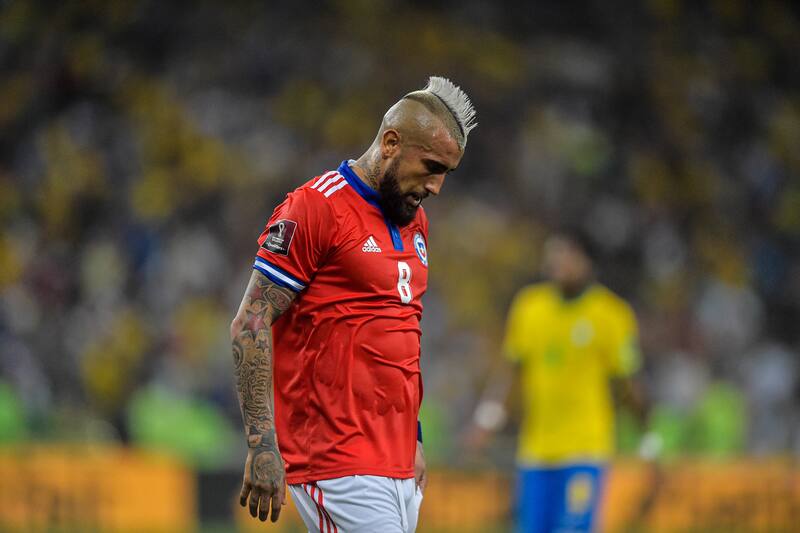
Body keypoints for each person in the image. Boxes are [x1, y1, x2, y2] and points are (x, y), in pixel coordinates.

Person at [230, 77, 477, 532]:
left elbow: (398, 334)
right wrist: (262, 443)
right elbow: (251, 321)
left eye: (447, 173)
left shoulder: (414, 220)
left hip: (397, 461)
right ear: (390, 142)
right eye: (431, 166)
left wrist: (413, 436)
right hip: (337, 459)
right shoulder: (314, 208)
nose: (437, 186)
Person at [467, 229, 644, 533]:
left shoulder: (612, 314)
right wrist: (487, 420)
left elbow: (625, 382)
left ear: (587, 261)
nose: (558, 261)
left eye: (567, 254)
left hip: (585, 448)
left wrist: (642, 427)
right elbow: (510, 373)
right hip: (536, 451)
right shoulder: (529, 307)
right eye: (553, 254)